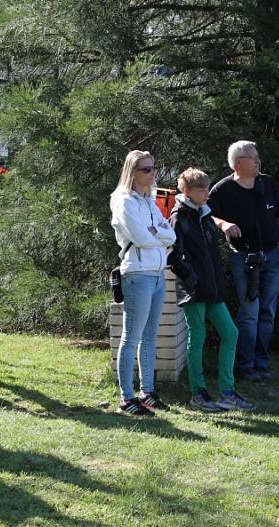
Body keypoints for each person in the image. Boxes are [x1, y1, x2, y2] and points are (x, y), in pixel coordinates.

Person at [168, 168, 255, 412]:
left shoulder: (205, 215)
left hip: (213, 288)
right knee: (198, 337)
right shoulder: (179, 218)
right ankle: (198, 392)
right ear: (186, 191)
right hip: (194, 290)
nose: (207, 193)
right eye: (201, 189)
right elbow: (173, 257)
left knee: (230, 333)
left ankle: (227, 392)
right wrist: (191, 279)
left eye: (207, 188)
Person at [209, 140, 279, 382]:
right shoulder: (222, 189)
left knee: (267, 312)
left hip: (273, 256)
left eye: (258, 156)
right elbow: (206, 214)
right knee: (249, 313)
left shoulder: (267, 183)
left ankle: (261, 364)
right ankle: (244, 366)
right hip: (243, 259)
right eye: (252, 157)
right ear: (238, 163)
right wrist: (223, 224)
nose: (258, 160)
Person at [110, 150, 176, 416]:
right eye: (146, 169)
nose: (152, 173)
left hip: (157, 272)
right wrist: (155, 235)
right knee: (131, 337)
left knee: (150, 335)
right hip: (138, 274)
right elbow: (140, 237)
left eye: (152, 168)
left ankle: (147, 393)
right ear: (132, 172)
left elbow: (170, 235)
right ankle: (127, 397)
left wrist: (156, 232)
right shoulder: (123, 201)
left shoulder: (149, 201)